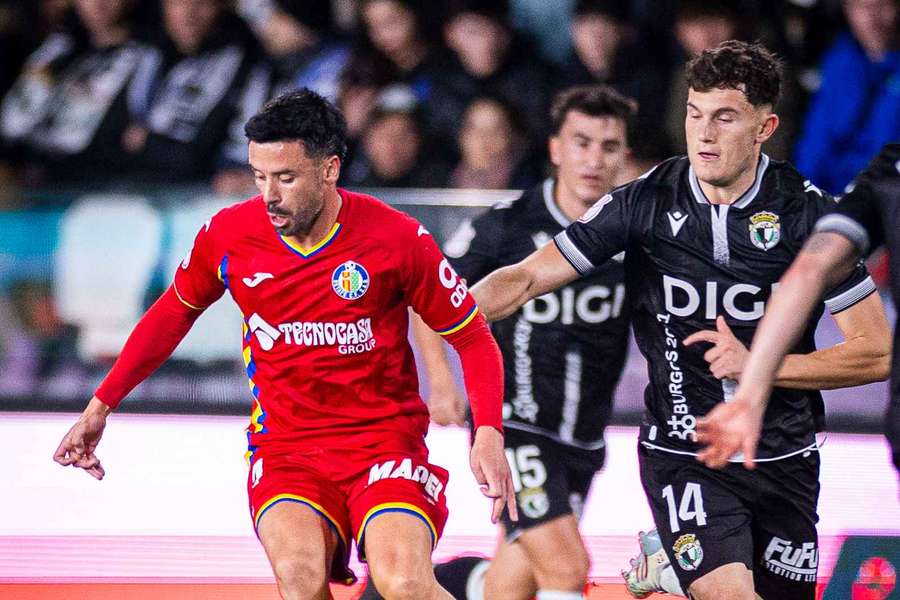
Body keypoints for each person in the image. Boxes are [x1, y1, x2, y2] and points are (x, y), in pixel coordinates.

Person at [453, 41, 890, 600]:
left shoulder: (807, 213)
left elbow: (875, 351)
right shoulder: (644, 202)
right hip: (683, 456)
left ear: (765, 126)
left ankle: (667, 570)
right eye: (694, 113)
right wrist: (433, 306)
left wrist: (762, 367)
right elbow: (527, 277)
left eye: (725, 118)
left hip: (784, 456)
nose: (704, 133)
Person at [51, 89, 516, 600]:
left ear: (330, 170)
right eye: (259, 176)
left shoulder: (397, 237)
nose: (269, 195)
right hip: (287, 449)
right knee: (298, 578)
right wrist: (100, 406)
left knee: (404, 583)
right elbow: (171, 315)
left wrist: (489, 431)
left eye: (285, 178)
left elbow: (472, 335)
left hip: (385, 443)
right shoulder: (229, 235)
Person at [362, 84, 637, 600]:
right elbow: (431, 296)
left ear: (625, 156)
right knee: (565, 567)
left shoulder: (634, 233)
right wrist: (441, 384)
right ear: (556, 149)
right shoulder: (507, 225)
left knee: (512, 586)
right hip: (514, 425)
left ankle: (426, 583)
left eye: (608, 146)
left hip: (583, 437)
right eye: (582, 143)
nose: (594, 159)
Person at [694, 143, 900, 473]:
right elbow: (808, 271)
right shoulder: (889, 174)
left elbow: (809, 270)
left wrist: (749, 393)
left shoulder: (890, 173)